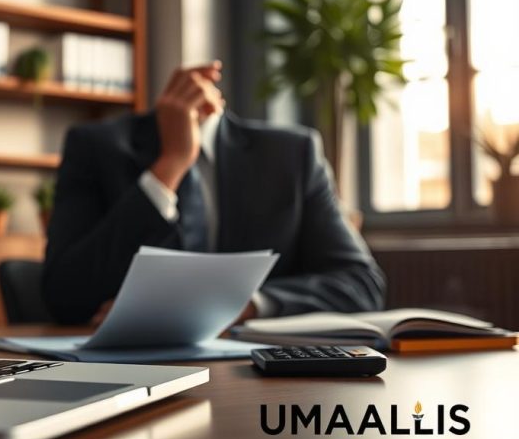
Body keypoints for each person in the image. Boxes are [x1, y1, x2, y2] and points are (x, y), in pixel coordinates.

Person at [41, 61, 386, 325]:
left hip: (260, 379)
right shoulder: (95, 147)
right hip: (129, 373)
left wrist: (238, 303)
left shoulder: (292, 155)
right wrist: (170, 166)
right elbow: (62, 295)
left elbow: (360, 284)